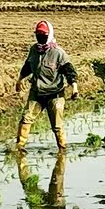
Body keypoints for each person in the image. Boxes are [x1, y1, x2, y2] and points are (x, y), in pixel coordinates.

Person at [15, 20, 78, 151]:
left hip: (54, 94)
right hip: (37, 93)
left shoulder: (58, 53)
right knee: (26, 118)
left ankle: (62, 149)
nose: (40, 37)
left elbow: (70, 71)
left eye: (43, 34)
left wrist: (74, 88)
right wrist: (20, 80)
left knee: (57, 125)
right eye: (38, 34)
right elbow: (28, 66)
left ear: (49, 35)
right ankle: (19, 147)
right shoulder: (34, 50)